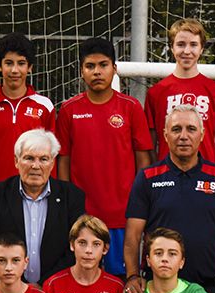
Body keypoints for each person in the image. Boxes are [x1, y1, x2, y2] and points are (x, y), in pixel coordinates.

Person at [124, 104, 215, 293]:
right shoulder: (147, 178)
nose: (183, 136)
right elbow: (132, 236)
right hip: (158, 288)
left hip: (207, 287)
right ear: (165, 135)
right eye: (176, 129)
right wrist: (132, 276)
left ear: (202, 134)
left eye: (191, 129)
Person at [56, 37, 153, 276]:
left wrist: (140, 202)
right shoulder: (69, 110)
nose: (97, 72)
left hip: (123, 216)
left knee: (123, 281)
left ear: (114, 68)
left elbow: (143, 160)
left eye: (103, 65)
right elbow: (63, 161)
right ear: (81, 71)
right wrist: (68, 205)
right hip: (83, 217)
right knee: (85, 279)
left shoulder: (131, 107)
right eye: (90, 66)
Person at [0, 128, 86, 289]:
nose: (36, 166)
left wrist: (45, 285)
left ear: (52, 163)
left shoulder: (72, 196)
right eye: (29, 158)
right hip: (6, 289)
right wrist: (19, 287)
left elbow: (76, 247)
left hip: (57, 290)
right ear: (16, 161)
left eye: (43, 159)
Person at [0, 32, 55, 227]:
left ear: (30, 67)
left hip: (35, 197)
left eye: (21, 63)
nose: (15, 70)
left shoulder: (44, 106)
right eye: (8, 63)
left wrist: (53, 200)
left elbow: (52, 158)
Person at [144, 19, 215, 165]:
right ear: (172, 47)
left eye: (193, 45)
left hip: (205, 175)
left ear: (201, 48)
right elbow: (150, 146)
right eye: (180, 44)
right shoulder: (156, 93)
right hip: (168, 174)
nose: (186, 51)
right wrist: (159, 172)